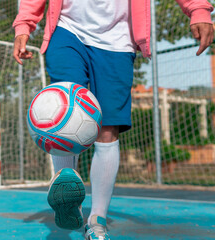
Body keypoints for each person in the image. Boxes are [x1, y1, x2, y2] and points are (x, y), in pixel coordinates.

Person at [12, 0, 214, 239]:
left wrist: (197, 9)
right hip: (66, 31)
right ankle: (69, 201)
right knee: (64, 110)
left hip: (118, 42)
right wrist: (24, 25)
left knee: (106, 131)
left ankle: (97, 219)